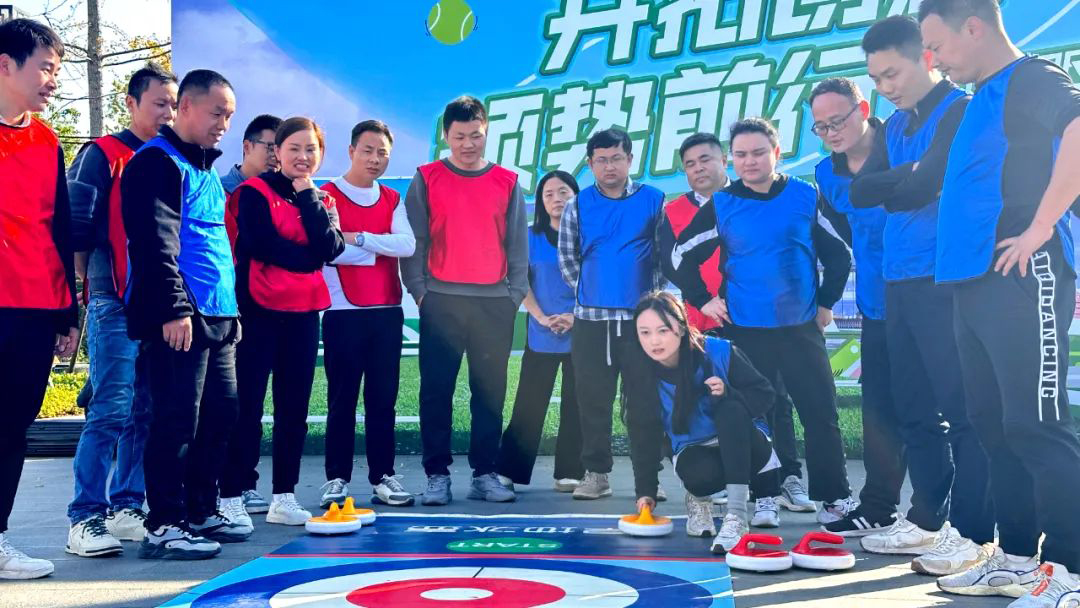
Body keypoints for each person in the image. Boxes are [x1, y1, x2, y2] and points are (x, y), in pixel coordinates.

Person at [920, 0, 1080, 603]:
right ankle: (1014, 558)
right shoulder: (980, 97)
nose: (935, 60)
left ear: (973, 26)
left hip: (1024, 272)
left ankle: (1069, 571)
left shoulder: (1031, 77)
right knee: (994, 426)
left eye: (938, 46)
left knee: (1037, 424)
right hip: (974, 280)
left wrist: (1041, 225)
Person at [850, 15, 993, 577]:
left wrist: (906, 179)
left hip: (946, 278)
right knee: (913, 408)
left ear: (925, 58)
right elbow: (864, 190)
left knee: (963, 409)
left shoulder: (958, 109)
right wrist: (906, 176)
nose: (885, 87)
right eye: (875, 78)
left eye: (892, 74)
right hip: (899, 280)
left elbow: (926, 185)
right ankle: (928, 518)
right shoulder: (891, 124)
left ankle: (973, 532)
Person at [669, 117, 856, 525]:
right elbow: (680, 256)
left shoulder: (805, 195)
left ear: (777, 153)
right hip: (746, 332)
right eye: (741, 155)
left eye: (758, 153)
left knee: (820, 413)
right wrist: (704, 301)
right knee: (754, 417)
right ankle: (765, 495)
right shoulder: (723, 203)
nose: (749, 161)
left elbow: (839, 252)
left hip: (800, 328)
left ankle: (835, 499)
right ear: (731, 160)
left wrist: (826, 303)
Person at [122, 69, 249, 560]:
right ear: (187, 107)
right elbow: (154, 243)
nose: (223, 124)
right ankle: (164, 524)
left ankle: (200, 510)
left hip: (220, 316)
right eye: (217, 113)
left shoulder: (207, 171)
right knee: (176, 420)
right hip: (181, 317)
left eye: (229, 116)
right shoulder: (156, 162)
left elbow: (216, 247)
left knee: (221, 415)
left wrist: (232, 313)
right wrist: (175, 308)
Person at [65, 63, 177, 558]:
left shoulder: (173, 158)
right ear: (131, 104)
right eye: (159, 103)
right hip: (113, 299)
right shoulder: (102, 154)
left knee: (145, 409)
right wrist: (87, 290)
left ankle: (128, 505)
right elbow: (78, 228)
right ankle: (85, 516)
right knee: (110, 408)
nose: (167, 113)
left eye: (173, 105)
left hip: (160, 304)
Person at [401, 95, 527, 505]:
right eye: (460, 136)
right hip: (441, 300)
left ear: (486, 131)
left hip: (494, 303)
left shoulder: (506, 181)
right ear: (445, 136)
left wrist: (513, 295)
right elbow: (416, 240)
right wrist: (420, 291)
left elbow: (518, 245)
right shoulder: (427, 177)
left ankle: (485, 473)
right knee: (436, 392)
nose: (468, 144)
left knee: (489, 394)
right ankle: (436, 475)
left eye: (476, 135)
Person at [219, 117, 345, 527]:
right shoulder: (254, 192)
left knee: (294, 407)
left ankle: (284, 496)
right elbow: (260, 244)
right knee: (247, 405)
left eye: (311, 149)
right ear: (278, 152)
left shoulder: (321, 199)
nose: (302, 156)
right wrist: (309, 258)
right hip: (258, 311)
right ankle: (232, 494)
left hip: (304, 314)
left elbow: (331, 247)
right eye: (294, 148)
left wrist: (308, 196)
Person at [808, 77, 907, 539]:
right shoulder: (826, 173)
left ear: (863, 109)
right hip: (876, 302)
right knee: (878, 409)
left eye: (837, 121)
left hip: (928, 295)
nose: (831, 133)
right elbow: (845, 234)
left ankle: (939, 518)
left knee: (931, 410)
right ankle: (879, 507)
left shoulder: (903, 143)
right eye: (821, 127)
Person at [0, 17, 77, 580]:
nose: (53, 80)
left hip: (33, 305)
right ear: (6, 65)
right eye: (45, 68)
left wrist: (67, 311)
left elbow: (60, 227)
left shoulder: (47, 141)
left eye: (57, 70)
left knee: (11, 426)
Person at [558, 127, 666, 501]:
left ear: (630, 159)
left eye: (616, 158)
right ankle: (596, 474)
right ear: (590, 164)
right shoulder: (578, 205)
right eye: (601, 160)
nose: (609, 166)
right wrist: (592, 291)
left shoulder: (654, 200)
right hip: (591, 323)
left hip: (642, 324)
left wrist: (650, 306)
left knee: (645, 402)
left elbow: (662, 258)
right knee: (593, 402)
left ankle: (649, 479)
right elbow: (567, 258)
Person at [628, 291, 776, 554]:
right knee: (699, 477)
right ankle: (698, 499)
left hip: (747, 446)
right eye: (645, 333)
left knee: (730, 409)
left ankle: (736, 517)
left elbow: (765, 395)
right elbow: (643, 437)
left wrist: (730, 393)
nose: (654, 341)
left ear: (681, 328)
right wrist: (645, 492)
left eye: (663, 330)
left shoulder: (719, 352)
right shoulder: (641, 374)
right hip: (694, 451)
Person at [319, 120, 416, 508]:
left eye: (382, 153)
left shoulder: (391, 198)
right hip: (343, 311)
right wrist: (377, 248)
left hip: (387, 311)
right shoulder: (326, 195)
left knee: (382, 400)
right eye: (368, 151)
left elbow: (406, 245)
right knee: (341, 401)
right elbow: (330, 250)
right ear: (351, 151)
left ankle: (383, 476)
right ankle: (337, 478)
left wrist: (358, 238)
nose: (375, 159)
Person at [495, 170, 584, 493]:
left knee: (578, 404)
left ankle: (570, 471)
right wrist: (543, 317)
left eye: (564, 192)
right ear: (541, 202)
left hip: (583, 330)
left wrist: (575, 316)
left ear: (577, 197)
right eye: (549, 194)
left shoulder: (589, 236)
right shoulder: (529, 237)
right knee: (529, 404)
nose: (557, 199)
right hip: (541, 331)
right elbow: (519, 281)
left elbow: (598, 281)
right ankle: (510, 469)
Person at [221, 114, 281, 194]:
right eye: (271, 148)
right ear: (247, 147)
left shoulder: (285, 197)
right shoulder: (215, 192)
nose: (277, 157)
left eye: (281, 151)